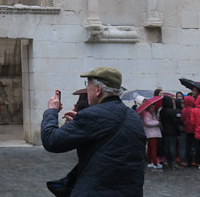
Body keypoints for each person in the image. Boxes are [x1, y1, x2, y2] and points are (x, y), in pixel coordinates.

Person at [41, 67, 146, 196]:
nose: (87, 89)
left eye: (87, 85)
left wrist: (51, 111)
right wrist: (80, 123)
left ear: (98, 90)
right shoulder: (133, 116)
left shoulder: (92, 116)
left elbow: (51, 140)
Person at [140, 99, 162, 170]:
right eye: (152, 107)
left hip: (151, 133)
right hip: (152, 133)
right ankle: (155, 163)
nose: (153, 108)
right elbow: (147, 122)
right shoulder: (147, 114)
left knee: (150, 148)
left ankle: (150, 162)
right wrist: (157, 123)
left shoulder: (150, 113)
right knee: (153, 149)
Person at [159, 94, 179, 170]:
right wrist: (178, 132)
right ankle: (173, 161)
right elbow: (175, 123)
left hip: (165, 130)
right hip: (172, 131)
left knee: (166, 146)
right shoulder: (172, 111)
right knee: (172, 147)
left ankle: (167, 160)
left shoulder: (162, 111)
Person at [181, 95, 197, 167]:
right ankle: (195, 160)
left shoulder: (183, 110)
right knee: (195, 146)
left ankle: (188, 160)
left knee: (188, 146)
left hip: (187, 129)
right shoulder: (194, 110)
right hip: (194, 130)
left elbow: (182, 120)